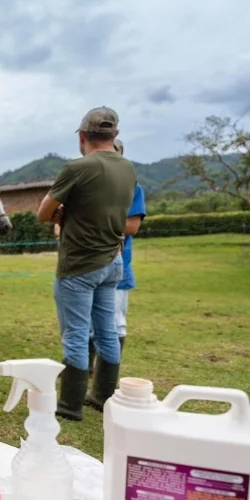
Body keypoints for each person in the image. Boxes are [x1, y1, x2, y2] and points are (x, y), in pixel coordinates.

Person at [38, 107, 135, 421]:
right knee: (107, 331)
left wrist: (63, 211)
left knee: (76, 334)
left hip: (79, 265)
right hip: (113, 261)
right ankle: (103, 396)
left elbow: (43, 212)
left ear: (82, 136)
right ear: (114, 135)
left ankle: (69, 404)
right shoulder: (129, 169)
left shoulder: (78, 167)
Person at [87, 138, 146, 377]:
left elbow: (131, 226)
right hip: (87, 266)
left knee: (114, 321)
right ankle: (87, 368)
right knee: (89, 322)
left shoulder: (134, 189)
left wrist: (90, 227)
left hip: (116, 265)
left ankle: (106, 379)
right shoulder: (89, 188)